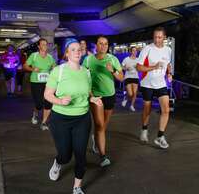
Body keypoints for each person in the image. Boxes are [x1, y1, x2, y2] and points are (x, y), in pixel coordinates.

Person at [45, 38, 102, 194]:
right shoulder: (59, 70)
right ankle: (58, 162)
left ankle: (77, 187)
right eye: (73, 49)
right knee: (65, 155)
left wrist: (92, 98)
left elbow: (87, 93)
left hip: (82, 118)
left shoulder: (87, 72)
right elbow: (47, 95)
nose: (77, 52)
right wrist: (59, 101)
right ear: (67, 53)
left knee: (80, 154)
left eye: (79, 49)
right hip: (60, 118)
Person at [82, 35, 124, 167]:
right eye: (101, 43)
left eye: (106, 44)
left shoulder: (113, 59)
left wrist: (113, 72)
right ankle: (103, 156)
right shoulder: (88, 60)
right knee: (99, 125)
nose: (103, 46)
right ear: (96, 45)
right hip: (96, 97)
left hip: (110, 95)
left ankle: (96, 138)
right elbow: (82, 77)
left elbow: (121, 78)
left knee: (103, 126)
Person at [136, 27, 173, 149]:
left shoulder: (168, 50)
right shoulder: (148, 48)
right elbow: (139, 67)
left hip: (161, 83)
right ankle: (144, 129)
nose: (157, 39)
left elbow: (168, 64)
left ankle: (160, 136)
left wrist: (169, 73)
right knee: (147, 109)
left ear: (164, 38)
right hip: (147, 83)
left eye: (160, 37)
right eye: (155, 37)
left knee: (166, 110)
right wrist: (153, 67)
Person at [24, 38, 56, 130]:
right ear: (39, 46)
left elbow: (54, 67)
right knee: (38, 104)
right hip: (35, 82)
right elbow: (25, 66)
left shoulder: (50, 57)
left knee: (48, 103)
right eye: (43, 44)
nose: (45, 46)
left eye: (46, 44)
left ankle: (44, 122)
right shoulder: (34, 56)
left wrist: (55, 69)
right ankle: (35, 113)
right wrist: (33, 69)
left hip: (48, 83)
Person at [121, 46, 139, 111]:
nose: (135, 52)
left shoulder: (138, 60)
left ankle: (132, 105)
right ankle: (126, 98)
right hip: (128, 77)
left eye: (136, 51)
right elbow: (121, 67)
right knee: (130, 94)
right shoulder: (126, 59)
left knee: (134, 93)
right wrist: (126, 68)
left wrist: (138, 68)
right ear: (131, 52)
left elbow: (140, 68)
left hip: (135, 77)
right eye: (133, 50)